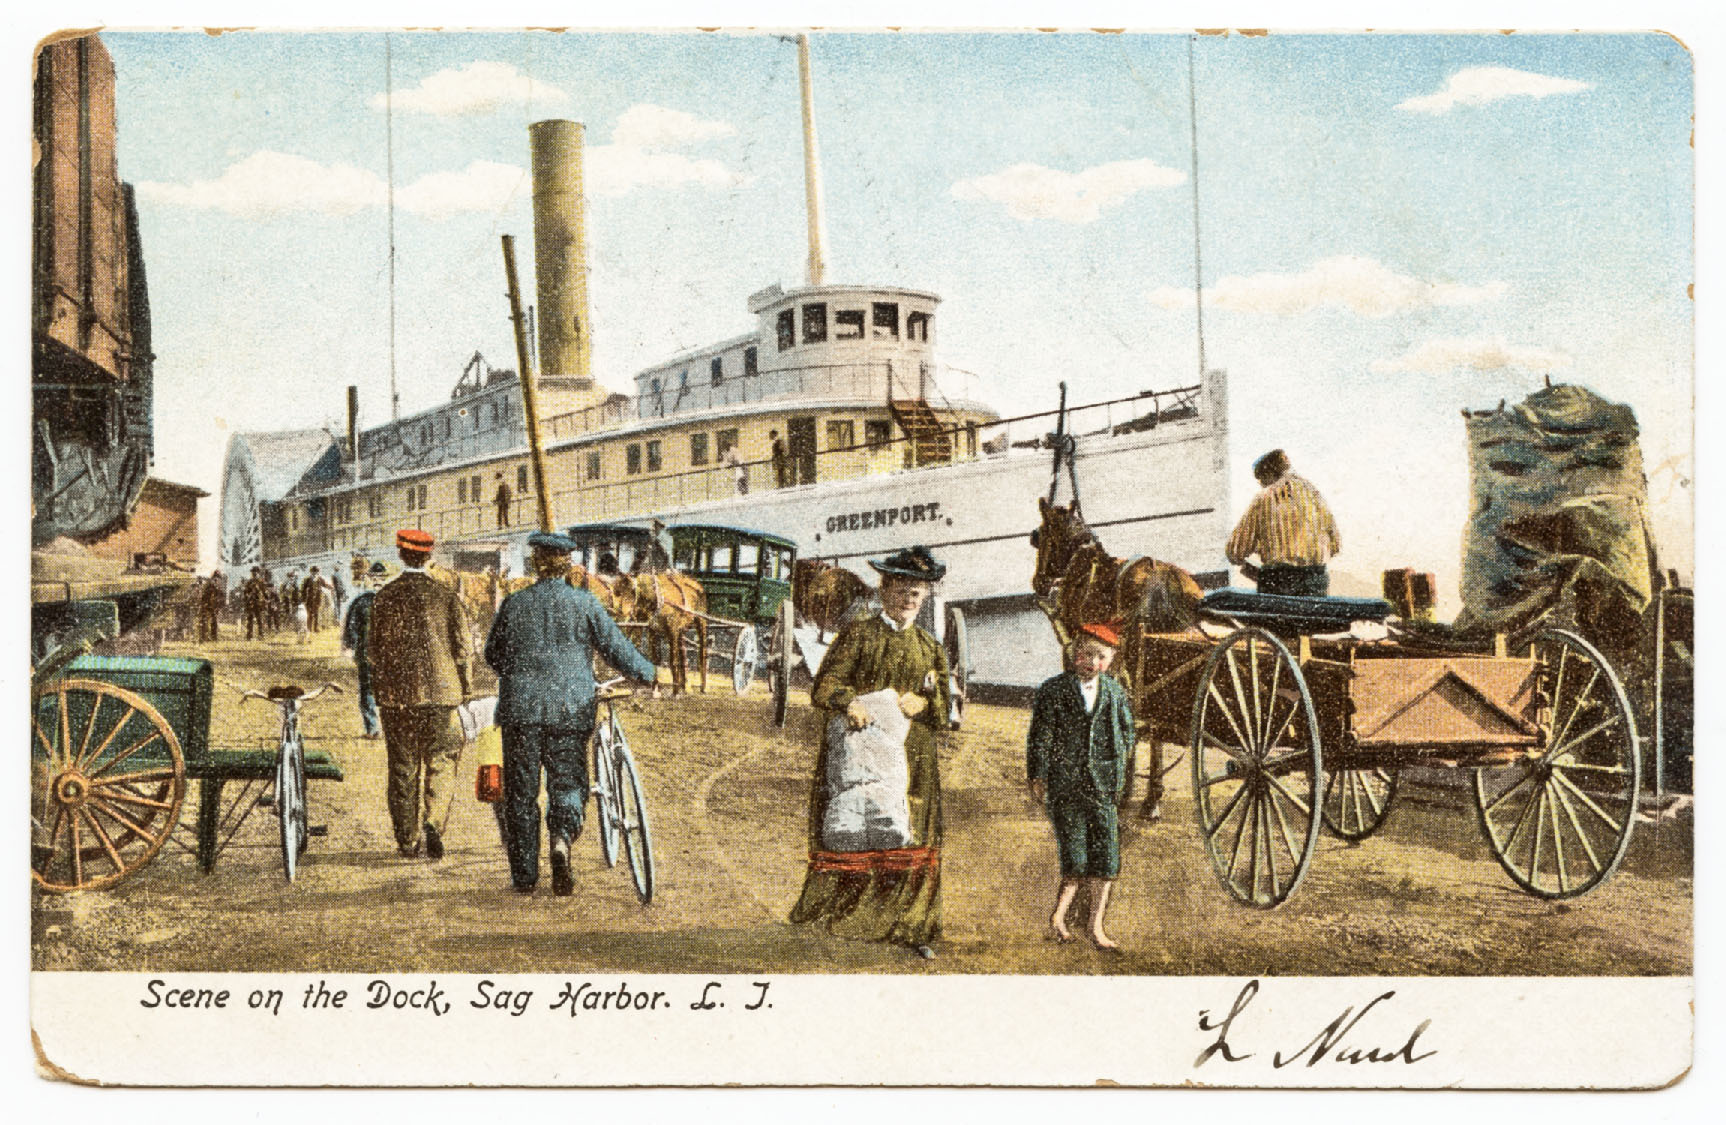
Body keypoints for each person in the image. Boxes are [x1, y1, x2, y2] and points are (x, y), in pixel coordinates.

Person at [790, 545, 950, 958]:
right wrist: (849, 701)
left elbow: (946, 709)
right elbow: (823, 687)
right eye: (901, 589)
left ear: (926, 596)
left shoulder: (930, 648)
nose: (909, 598)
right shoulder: (859, 635)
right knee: (855, 828)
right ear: (884, 589)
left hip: (913, 761)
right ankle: (845, 918)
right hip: (859, 753)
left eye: (917, 592)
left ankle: (912, 926)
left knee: (909, 834)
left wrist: (926, 704)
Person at [483, 531, 657, 896]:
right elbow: (615, 648)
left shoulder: (514, 604)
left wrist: (519, 677)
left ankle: (525, 876)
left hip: (521, 711)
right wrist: (649, 673)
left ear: (535, 563)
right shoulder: (585, 603)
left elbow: (493, 655)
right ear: (568, 566)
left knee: (521, 794)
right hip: (570, 710)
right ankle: (561, 842)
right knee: (568, 783)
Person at [1027, 622, 1136, 951]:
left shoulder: (1115, 693)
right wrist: (1038, 775)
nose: (1093, 663)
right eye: (1087, 654)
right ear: (1075, 655)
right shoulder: (1054, 690)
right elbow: (1041, 736)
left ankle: (1096, 926)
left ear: (1111, 661)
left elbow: (1128, 734)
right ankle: (1058, 917)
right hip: (1066, 785)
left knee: (1106, 860)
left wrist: (1116, 770)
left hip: (1102, 786)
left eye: (1101, 657)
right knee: (1074, 856)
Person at [367, 529, 474, 861]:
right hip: (443, 696)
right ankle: (433, 822)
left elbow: (372, 653)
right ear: (428, 557)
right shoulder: (447, 596)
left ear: (401, 555)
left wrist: (379, 690)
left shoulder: (384, 597)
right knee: (442, 762)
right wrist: (465, 691)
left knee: (402, 766)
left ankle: (407, 840)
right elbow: (464, 651)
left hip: (397, 697)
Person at [1225, 448, 1340, 597]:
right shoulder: (1315, 496)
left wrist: (1264, 548)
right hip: (1316, 583)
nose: (1261, 485)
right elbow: (1335, 545)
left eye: (1261, 480)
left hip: (1279, 582)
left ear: (1269, 474)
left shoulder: (1264, 498)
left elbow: (1235, 551)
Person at [341, 561, 388, 740]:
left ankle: (375, 728)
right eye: (375, 577)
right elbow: (351, 626)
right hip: (370, 654)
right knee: (369, 690)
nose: (378, 581)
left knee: (372, 691)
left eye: (381, 578)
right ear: (369, 578)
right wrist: (352, 645)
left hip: (379, 654)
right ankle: (373, 728)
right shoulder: (361, 601)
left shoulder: (366, 601)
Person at [196, 571, 224, 642]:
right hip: (206, 606)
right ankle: (203, 638)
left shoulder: (218, 588)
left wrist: (219, 607)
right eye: (215, 578)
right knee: (204, 622)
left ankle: (213, 637)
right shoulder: (208, 586)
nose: (216, 580)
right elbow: (203, 597)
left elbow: (221, 598)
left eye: (217, 579)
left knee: (213, 622)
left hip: (213, 607)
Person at [302, 566, 330, 633]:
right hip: (309, 600)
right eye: (314, 572)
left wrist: (331, 587)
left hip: (317, 599)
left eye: (317, 572)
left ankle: (315, 628)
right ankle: (309, 629)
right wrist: (303, 599)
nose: (315, 574)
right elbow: (302, 590)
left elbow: (325, 584)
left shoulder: (319, 579)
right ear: (311, 572)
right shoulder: (307, 579)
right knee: (310, 614)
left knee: (316, 614)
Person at [242, 566, 268, 640]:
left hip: (259, 603)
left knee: (259, 619)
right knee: (250, 619)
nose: (254, 573)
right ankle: (249, 635)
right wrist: (247, 596)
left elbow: (265, 593)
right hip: (251, 603)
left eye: (255, 572)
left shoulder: (261, 582)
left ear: (258, 573)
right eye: (253, 572)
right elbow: (245, 592)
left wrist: (265, 600)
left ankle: (261, 635)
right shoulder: (249, 582)